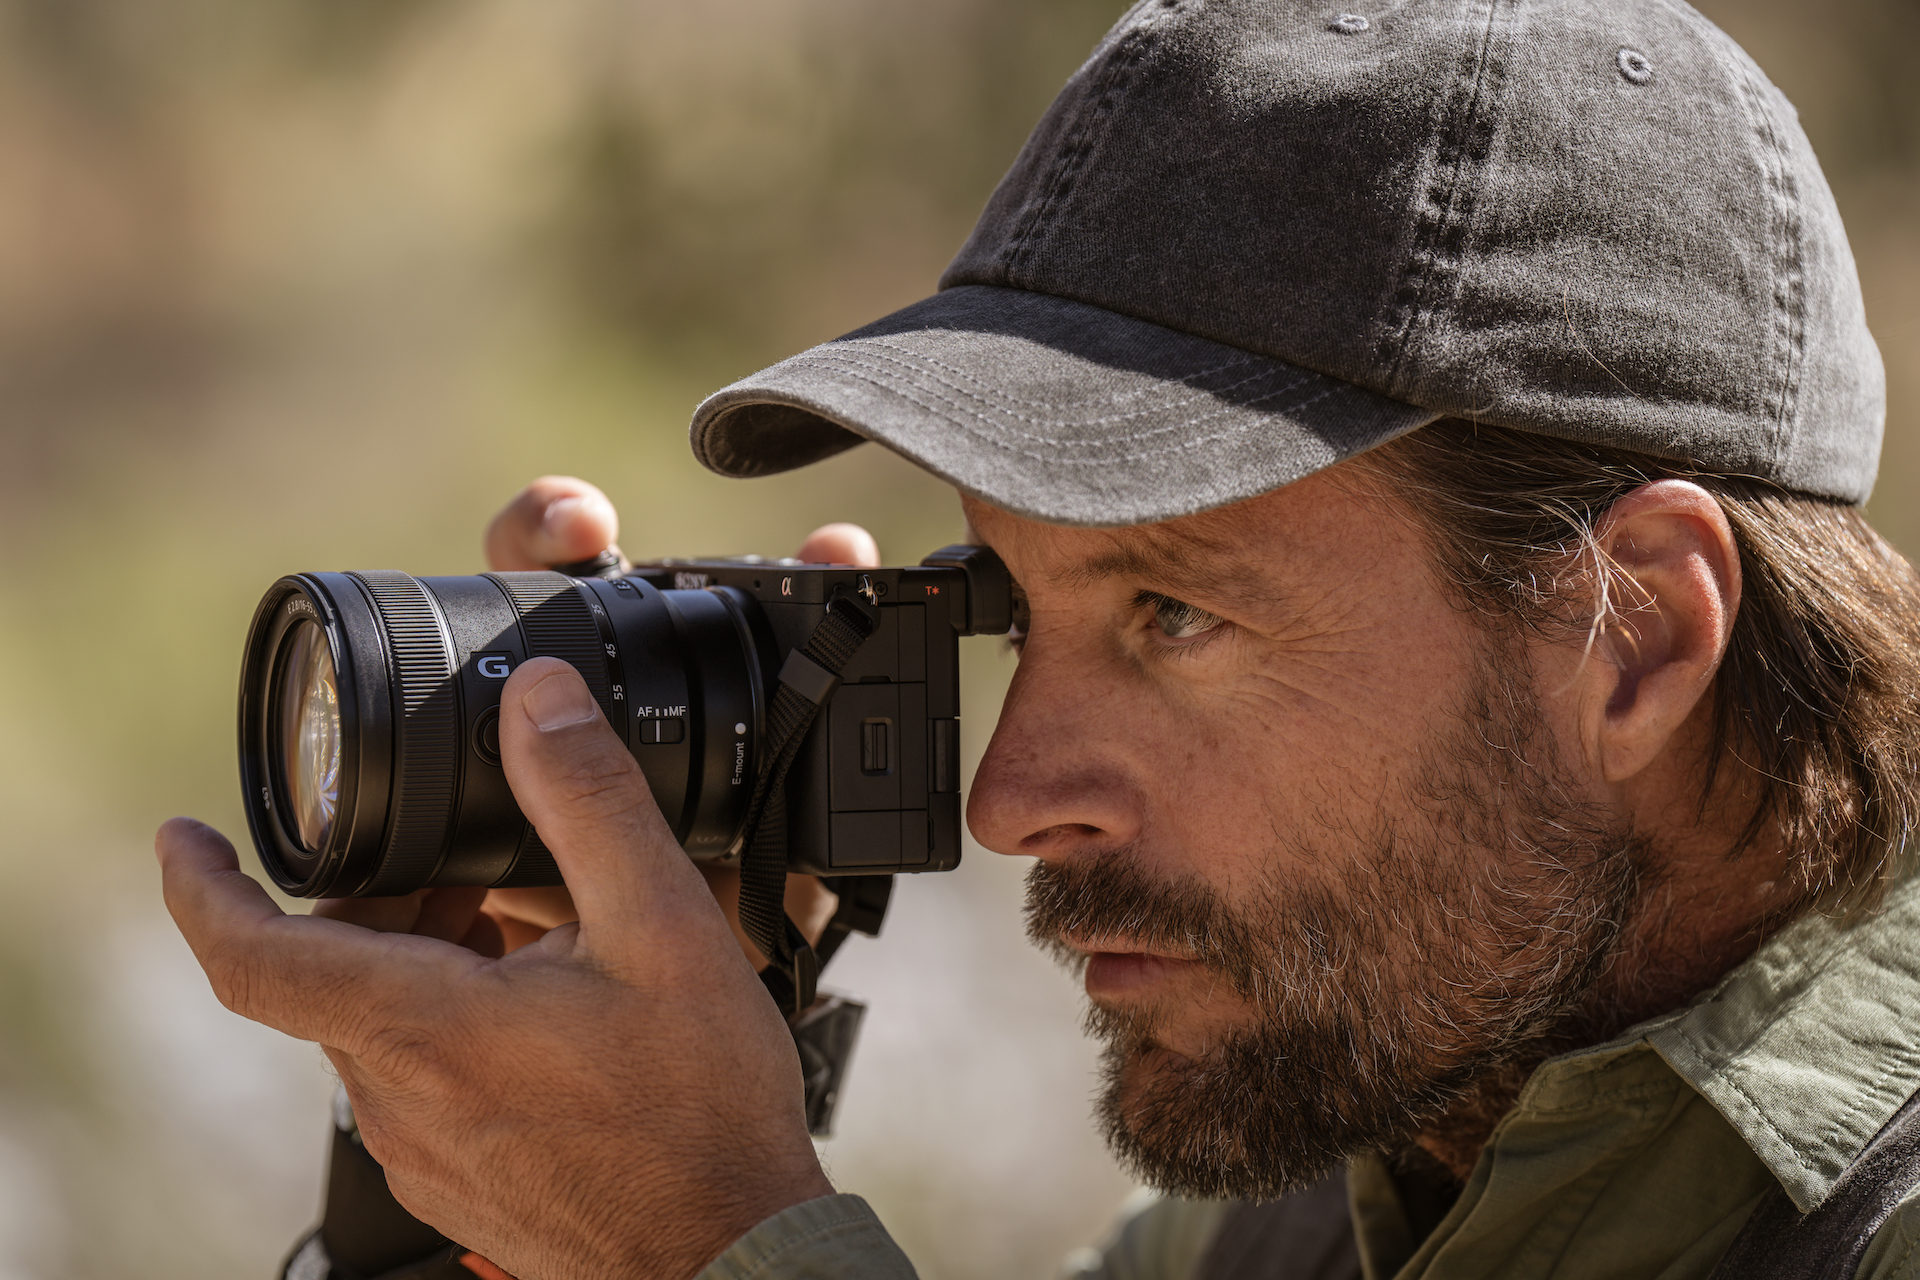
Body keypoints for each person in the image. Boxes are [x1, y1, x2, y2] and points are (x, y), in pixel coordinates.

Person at [157, 1, 1920, 1277]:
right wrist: (475, 1172)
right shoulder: (1329, 1185)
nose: (1007, 803)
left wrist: (714, 1244)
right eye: (1010, 608)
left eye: (1174, 611)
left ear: (1635, 645)